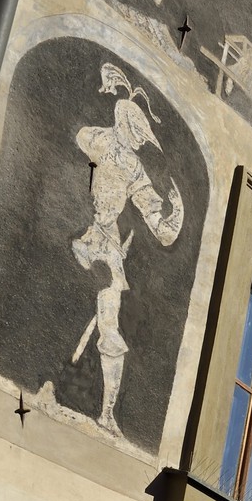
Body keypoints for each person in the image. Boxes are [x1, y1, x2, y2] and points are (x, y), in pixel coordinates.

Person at [71, 65, 183, 434]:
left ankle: (106, 413)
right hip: (89, 235)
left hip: (109, 246)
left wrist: (173, 215)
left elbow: (156, 219)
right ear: (123, 124)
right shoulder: (96, 139)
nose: (138, 141)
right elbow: (80, 145)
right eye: (137, 133)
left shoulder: (134, 166)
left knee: (110, 328)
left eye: (141, 136)